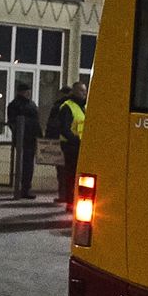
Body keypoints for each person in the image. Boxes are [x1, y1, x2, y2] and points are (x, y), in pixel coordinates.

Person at [50, 79, 88, 211]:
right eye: (81, 91)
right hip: (71, 146)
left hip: (81, 146)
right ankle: (70, 203)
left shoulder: (83, 106)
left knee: (78, 176)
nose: (84, 93)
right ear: (74, 91)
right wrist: (75, 139)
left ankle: (76, 201)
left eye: (85, 90)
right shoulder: (68, 106)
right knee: (71, 175)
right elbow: (64, 128)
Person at [6, 79, 40, 200]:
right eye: (26, 91)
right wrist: (19, 133)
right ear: (20, 92)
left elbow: (36, 122)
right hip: (23, 139)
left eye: (29, 91)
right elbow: (12, 122)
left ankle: (25, 188)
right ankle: (22, 189)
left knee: (28, 165)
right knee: (24, 164)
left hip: (30, 139)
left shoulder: (30, 104)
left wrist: (39, 136)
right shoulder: (16, 105)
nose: (28, 93)